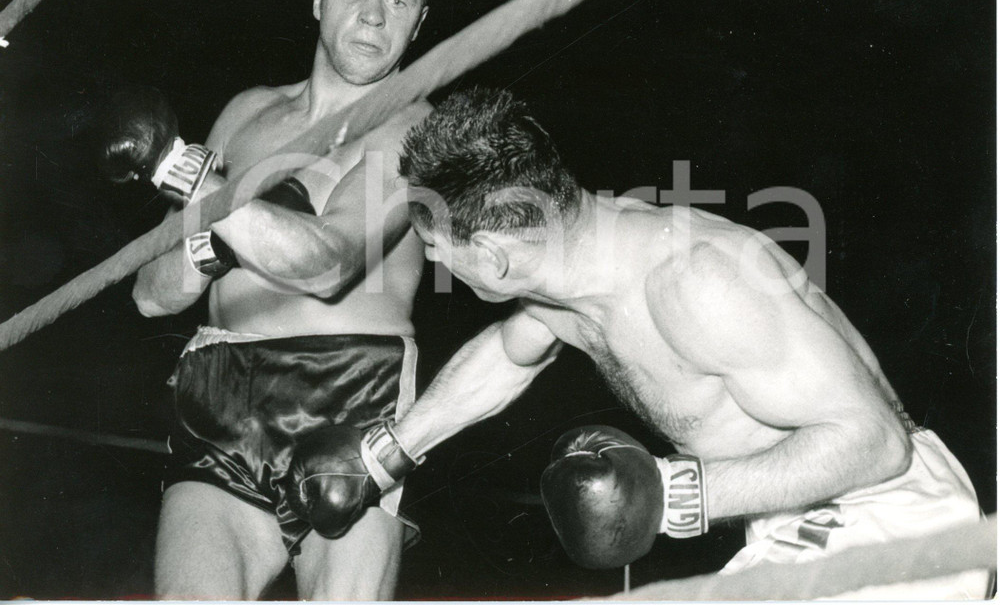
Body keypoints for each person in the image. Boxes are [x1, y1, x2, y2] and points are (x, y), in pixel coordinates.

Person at [293, 86, 993, 599]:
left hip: (888, 514)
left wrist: (670, 494)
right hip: (791, 523)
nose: (437, 264)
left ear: (497, 258)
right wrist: (386, 455)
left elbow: (876, 443)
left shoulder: (698, 284)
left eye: (439, 247)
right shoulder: (569, 270)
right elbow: (511, 353)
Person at [110, 0, 437, 600]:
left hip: (352, 395)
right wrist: (211, 248)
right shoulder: (244, 115)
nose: (375, 15)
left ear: (419, 20)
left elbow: (326, 263)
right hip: (220, 389)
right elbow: (150, 293)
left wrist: (185, 172)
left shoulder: (415, 128)